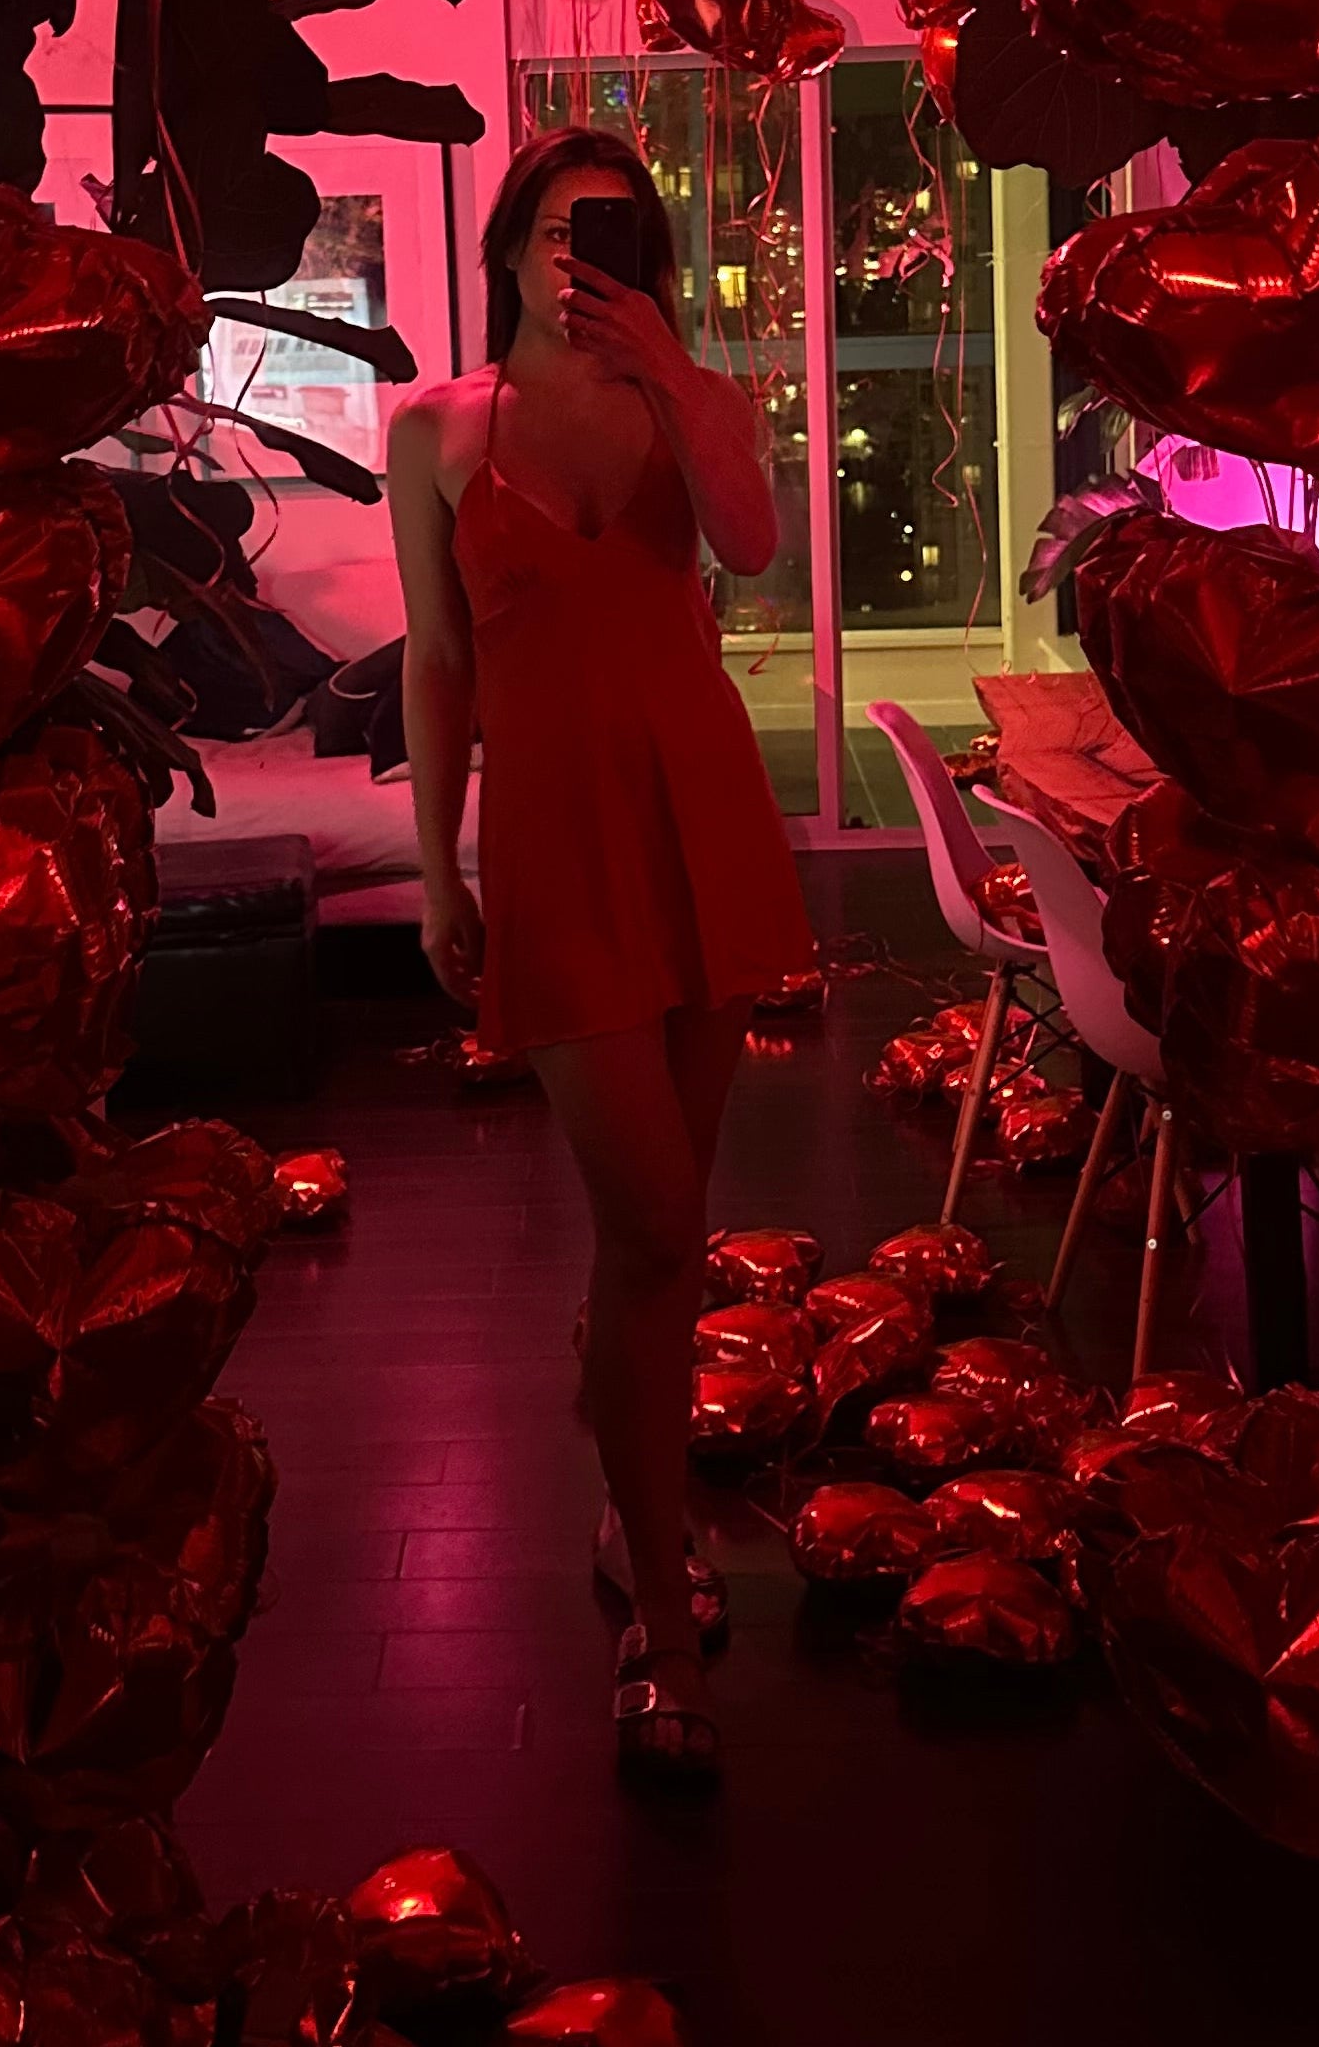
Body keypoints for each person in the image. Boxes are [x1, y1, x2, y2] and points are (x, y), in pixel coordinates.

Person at [387, 127, 813, 1786]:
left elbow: (756, 545)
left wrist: (678, 369)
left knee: (660, 1238)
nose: (585, 264)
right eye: (561, 236)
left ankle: (630, 1484)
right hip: (557, 849)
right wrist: (437, 871)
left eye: (618, 238)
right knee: (654, 1221)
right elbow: (436, 664)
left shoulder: (678, 401)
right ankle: (664, 1605)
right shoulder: (433, 429)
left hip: (702, 823)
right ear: (505, 249)